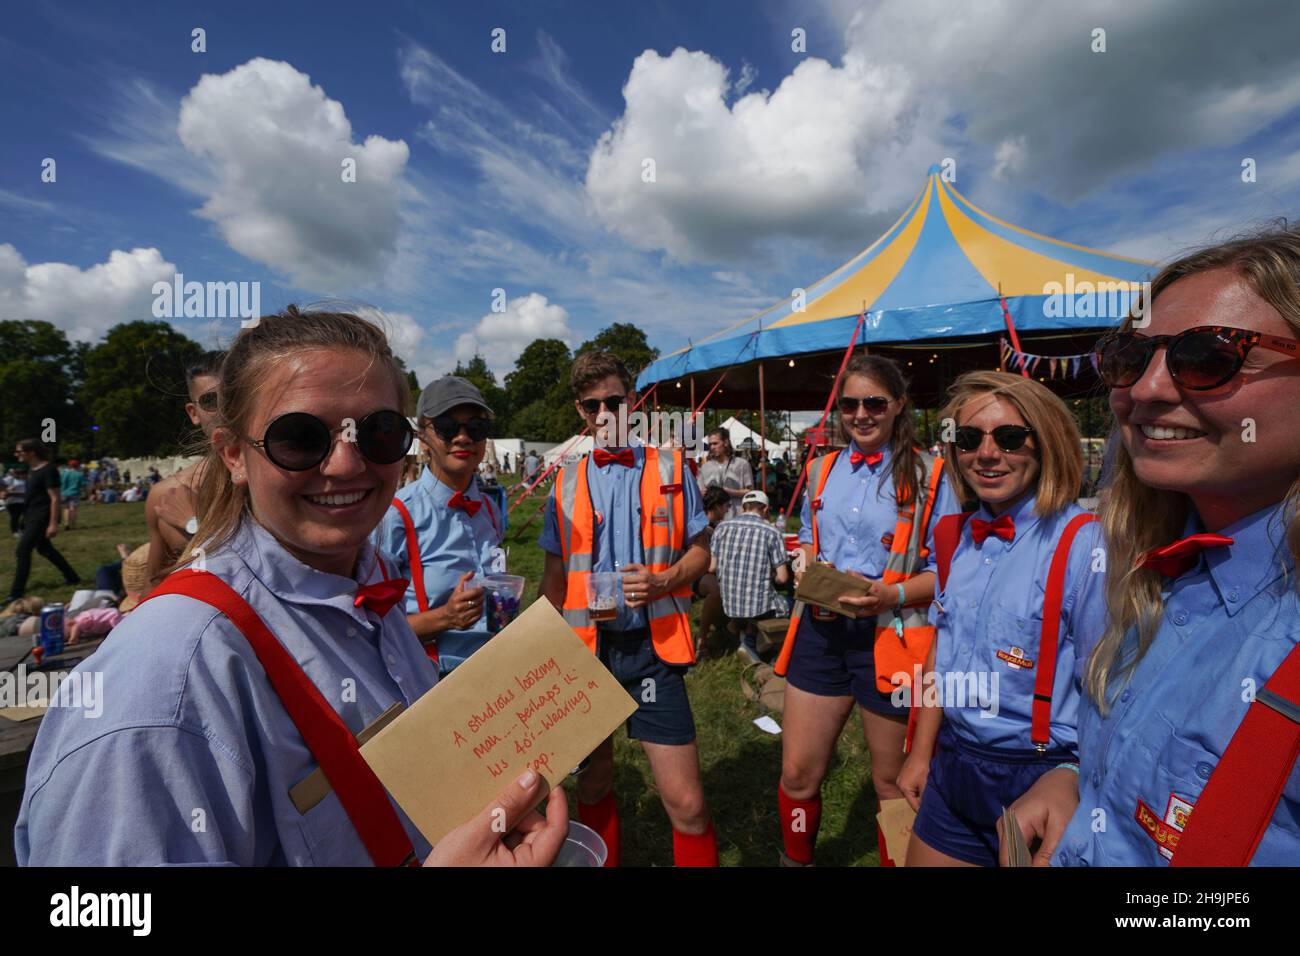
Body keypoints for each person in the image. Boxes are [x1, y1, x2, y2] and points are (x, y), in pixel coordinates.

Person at [16, 306, 566, 865]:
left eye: (378, 432)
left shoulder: (365, 579)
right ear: (233, 454)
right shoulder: (166, 678)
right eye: (301, 437)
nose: (347, 464)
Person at [1004, 225, 1300, 867]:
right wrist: (1079, 782)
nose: (1145, 390)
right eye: (1128, 358)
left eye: (1209, 356)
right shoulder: (1154, 571)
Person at [896, 371, 1107, 867]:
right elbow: (940, 652)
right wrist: (922, 752)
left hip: (1040, 775)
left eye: (1010, 437)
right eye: (968, 439)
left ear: (1047, 441)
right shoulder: (955, 536)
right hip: (954, 763)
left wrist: (1078, 776)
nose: (986, 454)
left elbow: (1111, 689)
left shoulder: (1084, 544)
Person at [774, 354, 960, 866]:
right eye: (850, 403)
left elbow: (951, 570)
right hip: (822, 630)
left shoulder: (934, 474)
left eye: (874, 402)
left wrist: (891, 594)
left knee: (892, 782)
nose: (861, 414)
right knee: (797, 773)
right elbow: (809, 539)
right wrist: (805, 564)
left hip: (893, 639)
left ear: (899, 405)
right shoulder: (820, 469)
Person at [539, 349, 717, 867]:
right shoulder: (564, 480)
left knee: (686, 803)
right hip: (583, 653)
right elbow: (554, 581)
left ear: (632, 403)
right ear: (579, 410)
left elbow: (702, 552)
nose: (603, 416)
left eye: (613, 402)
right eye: (592, 406)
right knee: (592, 787)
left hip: (651, 651)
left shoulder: (669, 466)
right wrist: (538, 654)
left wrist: (664, 580)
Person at [373, 376, 502, 675]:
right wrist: (446, 617)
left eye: (476, 428)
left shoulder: (491, 511)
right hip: (433, 678)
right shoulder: (397, 515)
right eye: (447, 427)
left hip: (497, 669)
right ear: (423, 436)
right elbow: (371, 625)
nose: (463, 438)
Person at [145, 351, 224, 588]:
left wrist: (194, 526)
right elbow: (155, 583)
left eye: (236, 397)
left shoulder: (282, 478)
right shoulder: (165, 495)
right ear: (193, 413)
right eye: (211, 401)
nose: (226, 411)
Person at [711, 490, 792, 664]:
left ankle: (747, 641)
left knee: (756, 596)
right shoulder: (771, 532)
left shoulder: (721, 527)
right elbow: (783, 578)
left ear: (743, 508)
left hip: (729, 602)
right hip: (757, 606)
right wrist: (771, 577)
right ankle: (772, 651)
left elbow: (712, 567)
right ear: (766, 510)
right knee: (793, 603)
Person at [4, 439, 81, 604]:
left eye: (19, 451)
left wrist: (53, 523)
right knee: (45, 549)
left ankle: (16, 593)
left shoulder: (48, 470)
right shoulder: (32, 469)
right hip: (31, 515)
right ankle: (72, 577)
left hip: (41, 517)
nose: (16, 454)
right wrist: (13, 495)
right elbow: (35, 495)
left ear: (31, 452)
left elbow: (55, 498)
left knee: (22, 551)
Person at [693, 485, 732, 655]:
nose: (727, 510)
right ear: (716, 507)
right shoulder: (700, 525)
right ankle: (702, 637)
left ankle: (730, 628)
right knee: (717, 590)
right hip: (696, 574)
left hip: (710, 570)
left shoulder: (716, 526)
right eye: (725, 506)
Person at [697, 427, 754, 518]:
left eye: (715, 443)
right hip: (713, 519)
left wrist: (730, 492)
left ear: (726, 443)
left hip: (736, 516)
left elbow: (750, 491)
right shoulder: (705, 467)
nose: (712, 447)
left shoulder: (742, 464)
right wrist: (703, 493)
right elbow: (699, 492)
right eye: (710, 444)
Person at [59, 459, 85, 530]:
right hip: (75, 493)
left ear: (69, 466)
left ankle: (66, 524)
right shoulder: (79, 474)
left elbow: (61, 483)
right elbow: (83, 485)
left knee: (66, 508)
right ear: (77, 466)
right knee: (73, 509)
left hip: (64, 493)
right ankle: (72, 525)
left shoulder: (64, 474)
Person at [3, 465, 26, 536]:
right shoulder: (13, 481)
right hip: (13, 503)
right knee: (15, 517)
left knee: (27, 516)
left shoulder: (24, 481)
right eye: (22, 474)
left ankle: (22, 529)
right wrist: (18, 493)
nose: (24, 475)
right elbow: (7, 492)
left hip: (22, 502)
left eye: (25, 474)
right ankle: (15, 531)